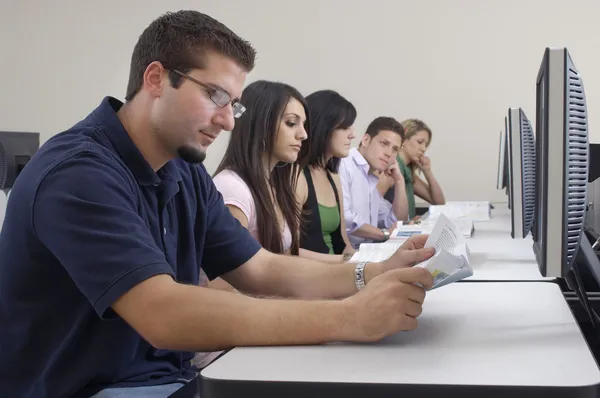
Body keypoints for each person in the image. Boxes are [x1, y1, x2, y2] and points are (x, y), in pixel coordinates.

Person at [0, 10, 434, 398]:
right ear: (155, 79)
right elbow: (163, 313)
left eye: (234, 105)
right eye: (216, 96)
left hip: (168, 378)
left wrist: (370, 274)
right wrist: (348, 319)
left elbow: (259, 267)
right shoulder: (78, 174)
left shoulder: (181, 169)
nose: (227, 120)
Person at [213, 80, 307, 257]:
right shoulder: (232, 188)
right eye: (291, 123)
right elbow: (224, 280)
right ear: (261, 125)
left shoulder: (274, 185)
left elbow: (286, 259)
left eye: (303, 124)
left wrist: (350, 262)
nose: (303, 134)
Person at [296, 90, 356, 259]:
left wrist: (366, 261)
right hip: (313, 276)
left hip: (338, 271)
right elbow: (289, 252)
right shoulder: (297, 176)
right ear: (323, 126)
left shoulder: (333, 176)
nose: (352, 134)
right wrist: (347, 263)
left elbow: (343, 243)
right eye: (344, 127)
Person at [339, 116, 409, 249]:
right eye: (384, 144)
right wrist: (384, 234)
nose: (389, 153)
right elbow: (346, 220)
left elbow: (395, 221)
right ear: (365, 140)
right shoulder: (344, 163)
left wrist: (399, 181)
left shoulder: (370, 175)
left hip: (366, 252)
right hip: (344, 255)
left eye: (395, 149)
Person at [383, 118, 445, 220]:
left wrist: (427, 171)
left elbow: (439, 202)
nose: (424, 149)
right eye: (420, 142)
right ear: (403, 140)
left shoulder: (408, 172)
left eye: (426, 144)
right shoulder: (391, 167)